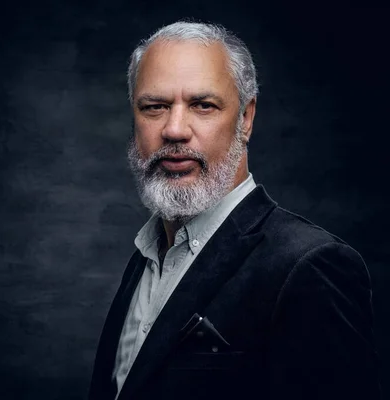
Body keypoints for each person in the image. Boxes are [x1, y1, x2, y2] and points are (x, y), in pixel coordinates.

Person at [88, 21, 380, 400]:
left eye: (203, 105)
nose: (175, 129)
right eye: (154, 107)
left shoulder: (310, 266)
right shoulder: (146, 257)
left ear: (246, 118)